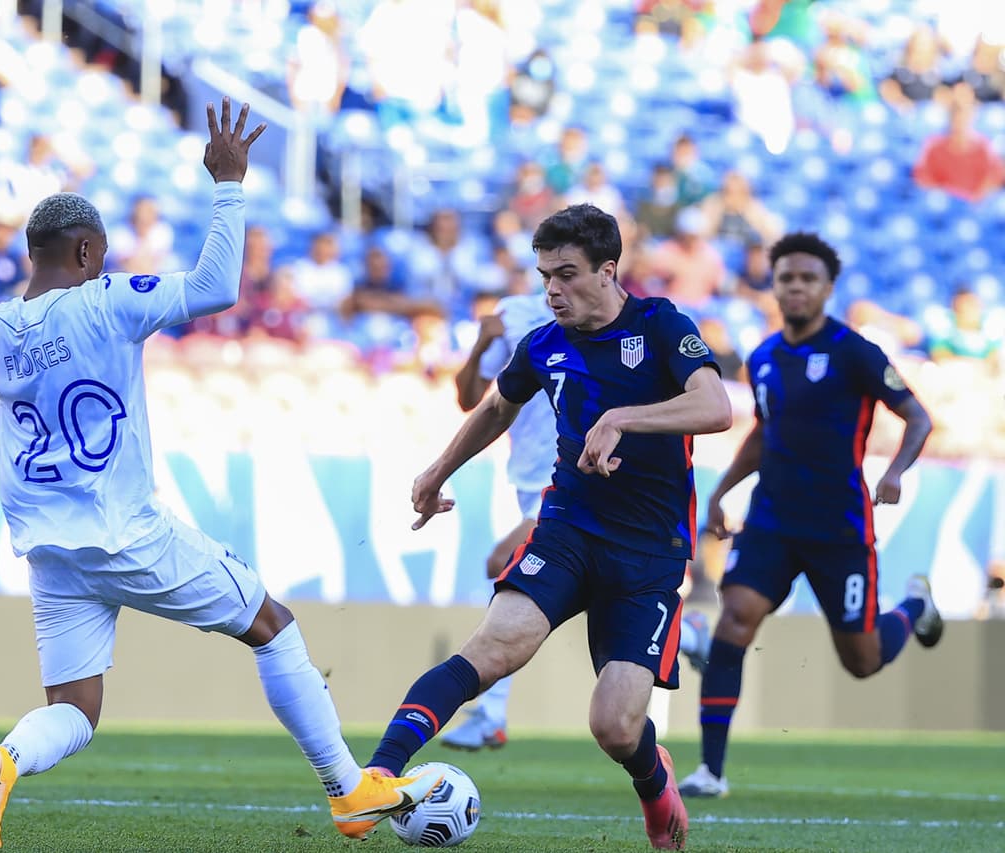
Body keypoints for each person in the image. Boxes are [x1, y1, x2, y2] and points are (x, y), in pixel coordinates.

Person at [0, 97, 442, 848]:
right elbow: (215, 287)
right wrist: (229, 183)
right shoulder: (107, 302)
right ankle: (348, 791)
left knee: (76, 707)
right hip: (127, 534)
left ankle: (4, 759)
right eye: (102, 253)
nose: (108, 264)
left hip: (50, 551)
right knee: (273, 627)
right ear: (86, 253)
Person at [366, 203, 733, 850]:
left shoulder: (660, 325)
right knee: (492, 647)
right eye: (544, 276)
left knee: (615, 727)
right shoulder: (543, 343)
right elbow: (496, 407)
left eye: (566, 274)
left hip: (649, 553)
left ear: (608, 271)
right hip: (566, 527)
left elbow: (715, 405)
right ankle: (377, 775)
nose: (552, 290)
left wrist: (622, 417)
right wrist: (438, 469)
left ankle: (654, 780)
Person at [678, 233, 941, 800]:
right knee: (734, 621)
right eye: (786, 278)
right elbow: (763, 433)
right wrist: (723, 492)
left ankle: (916, 604)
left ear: (827, 288)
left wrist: (894, 471)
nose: (795, 287)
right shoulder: (764, 357)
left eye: (807, 279)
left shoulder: (856, 353)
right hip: (771, 521)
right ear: (774, 285)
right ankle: (711, 771)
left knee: (862, 661)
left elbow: (918, 418)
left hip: (840, 530)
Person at [438, 287, 555, 751]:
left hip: (570, 477)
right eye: (549, 271)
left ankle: (489, 714)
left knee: (503, 563)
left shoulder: (606, 318)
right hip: (528, 477)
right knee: (599, 596)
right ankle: (688, 635)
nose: (556, 284)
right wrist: (483, 343)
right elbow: (470, 400)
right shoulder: (515, 314)